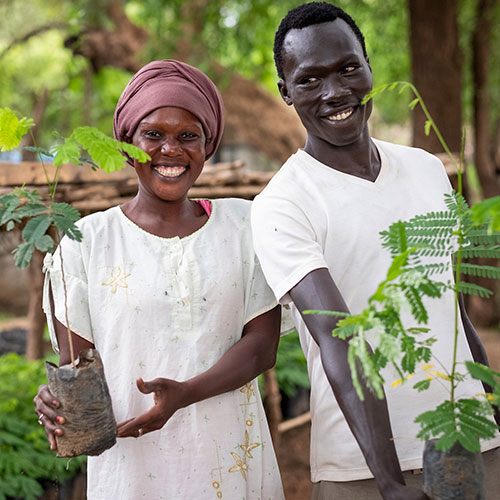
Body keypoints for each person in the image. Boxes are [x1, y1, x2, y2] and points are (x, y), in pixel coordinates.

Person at [250, 3, 500, 500]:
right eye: (310, 79)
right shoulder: (282, 203)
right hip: (360, 469)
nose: (335, 92)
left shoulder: (427, 169)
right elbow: (338, 337)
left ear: (368, 65)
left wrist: (490, 406)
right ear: (286, 92)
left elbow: (448, 305)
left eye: (347, 68)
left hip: (468, 440)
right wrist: (389, 483)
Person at [33, 59, 284, 500]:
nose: (170, 150)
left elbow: (262, 347)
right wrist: (53, 400)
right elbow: (79, 369)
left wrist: (185, 394)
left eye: (189, 136)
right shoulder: (84, 242)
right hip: (131, 465)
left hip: (228, 457)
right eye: (153, 135)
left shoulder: (244, 225)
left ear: (209, 146)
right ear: (127, 143)